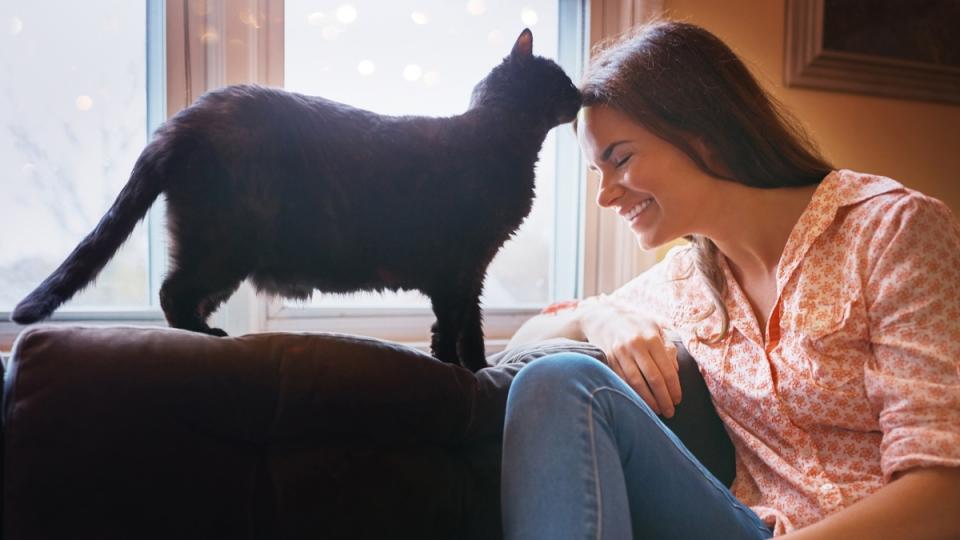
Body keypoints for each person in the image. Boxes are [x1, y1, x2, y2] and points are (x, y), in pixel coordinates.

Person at [500, 20, 960, 540]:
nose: (605, 196)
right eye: (595, 172)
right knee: (556, 381)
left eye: (620, 159)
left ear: (704, 133)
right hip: (751, 528)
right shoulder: (684, 282)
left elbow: (945, 493)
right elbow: (517, 349)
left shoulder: (892, 231)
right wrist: (594, 314)